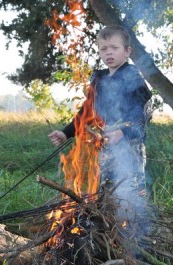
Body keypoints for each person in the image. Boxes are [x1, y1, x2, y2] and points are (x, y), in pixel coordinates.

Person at [48, 25, 152, 260]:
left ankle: (138, 247)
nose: (108, 53)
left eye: (114, 48)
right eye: (103, 48)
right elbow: (86, 112)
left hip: (129, 147)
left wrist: (123, 133)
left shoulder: (133, 76)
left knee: (129, 193)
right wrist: (66, 133)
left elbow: (142, 116)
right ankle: (106, 240)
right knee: (101, 193)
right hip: (102, 148)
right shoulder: (100, 78)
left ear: (127, 51)